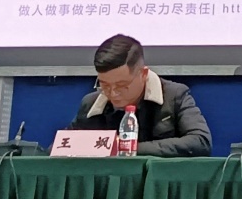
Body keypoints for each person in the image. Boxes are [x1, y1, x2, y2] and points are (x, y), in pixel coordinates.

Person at [70, 34, 212, 157]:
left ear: (143, 74)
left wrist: (126, 147)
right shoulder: (91, 104)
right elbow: (64, 146)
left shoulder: (173, 96)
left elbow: (200, 142)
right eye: (105, 85)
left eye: (122, 85)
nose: (112, 93)